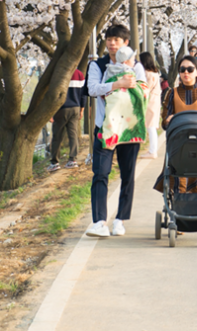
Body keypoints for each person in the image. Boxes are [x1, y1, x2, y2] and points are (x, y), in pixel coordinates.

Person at [86, 24, 147, 238]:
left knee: (128, 174)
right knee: (100, 173)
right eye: (109, 39)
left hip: (129, 128)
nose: (112, 43)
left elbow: (144, 91)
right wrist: (117, 84)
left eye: (117, 40)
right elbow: (92, 89)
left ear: (125, 43)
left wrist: (131, 82)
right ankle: (99, 222)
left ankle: (120, 219)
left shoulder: (136, 66)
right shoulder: (98, 65)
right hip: (105, 128)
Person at [154, 55, 197, 195]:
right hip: (178, 145)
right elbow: (165, 120)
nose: (186, 72)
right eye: (182, 69)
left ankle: (193, 201)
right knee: (178, 180)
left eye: (190, 69)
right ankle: (179, 202)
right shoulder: (172, 93)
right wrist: (168, 120)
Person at [47, 67, 86, 172]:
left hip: (61, 109)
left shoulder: (59, 73)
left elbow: (52, 94)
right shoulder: (79, 74)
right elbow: (83, 94)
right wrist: (82, 109)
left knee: (57, 136)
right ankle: (72, 160)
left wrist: (50, 113)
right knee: (73, 134)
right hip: (75, 108)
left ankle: (55, 162)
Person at [140, 52, 163, 160]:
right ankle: (153, 150)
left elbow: (146, 89)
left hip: (150, 101)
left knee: (150, 126)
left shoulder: (147, 74)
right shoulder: (155, 72)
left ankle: (152, 151)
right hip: (155, 100)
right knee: (152, 126)